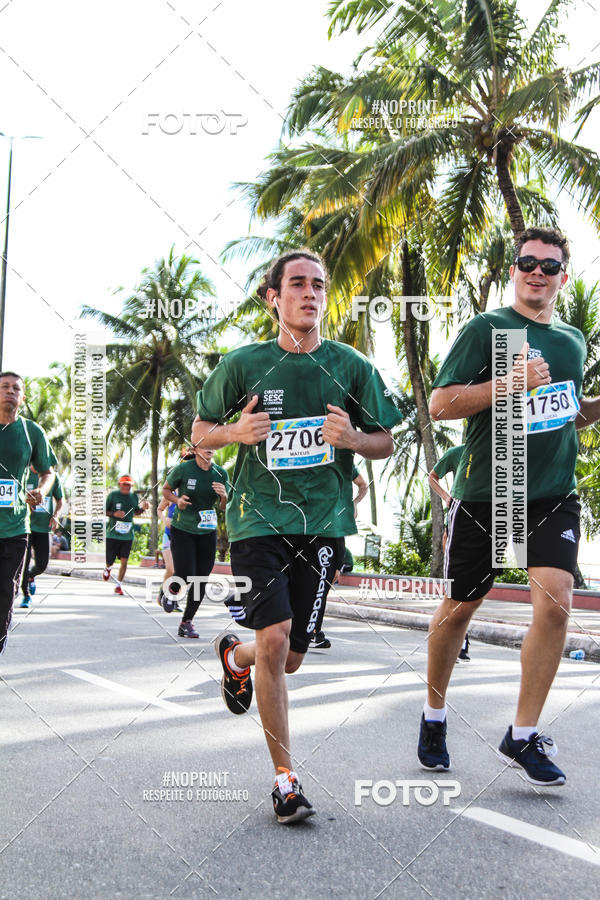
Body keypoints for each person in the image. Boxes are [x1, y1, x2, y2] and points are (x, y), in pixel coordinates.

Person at [192, 249, 401, 823]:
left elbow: (386, 440)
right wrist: (236, 432)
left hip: (324, 523)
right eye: (298, 284)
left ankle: (235, 656)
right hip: (257, 521)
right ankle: (285, 779)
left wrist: (354, 440)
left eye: (319, 285)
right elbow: (200, 432)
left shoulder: (351, 366)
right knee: (277, 637)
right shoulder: (243, 365)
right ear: (273, 298)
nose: (310, 293)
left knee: (288, 659)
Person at [420, 226, 600, 787]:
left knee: (557, 603)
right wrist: (510, 382)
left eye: (549, 266)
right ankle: (434, 714)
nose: (537, 273)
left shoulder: (571, 341)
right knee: (460, 609)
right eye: (528, 263)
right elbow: (440, 404)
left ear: (563, 277)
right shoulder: (488, 329)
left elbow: (569, 413)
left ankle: (522, 734)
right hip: (487, 492)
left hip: (551, 493)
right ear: (514, 270)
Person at [0, 372, 56, 654]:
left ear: (22, 398)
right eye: (4, 386)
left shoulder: (31, 431)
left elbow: (48, 472)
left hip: (15, 528)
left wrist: (43, 490)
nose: (10, 391)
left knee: (4, 596)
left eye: (16, 388)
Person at [161, 447, 228, 638]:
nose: (209, 448)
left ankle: (186, 622)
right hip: (183, 529)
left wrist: (224, 496)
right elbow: (165, 490)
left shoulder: (220, 473)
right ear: (196, 448)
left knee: (201, 579)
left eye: (213, 445)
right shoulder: (184, 469)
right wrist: (177, 500)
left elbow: (224, 506)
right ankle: (171, 590)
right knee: (185, 574)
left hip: (207, 530)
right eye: (205, 444)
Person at [310, 462, 368, 650]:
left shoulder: (345, 463)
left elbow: (363, 484)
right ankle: (310, 632)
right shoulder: (313, 462)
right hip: (312, 531)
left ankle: (313, 631)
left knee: (321, 588)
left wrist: (354, 502)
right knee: (314, 588)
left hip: (332, 534)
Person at [428, 445, 471, 661]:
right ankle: (457, 640)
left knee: (473, 588)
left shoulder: (498, 451)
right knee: (454, 583)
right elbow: (433, 476)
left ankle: (460, 637)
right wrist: (446, 496)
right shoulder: (457, 453)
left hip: (486, 525)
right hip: (457, 523)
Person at [20, 467, 64, 607]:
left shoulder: (52, 477)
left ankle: (30, 576)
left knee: (42, 565)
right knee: (24, 563)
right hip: (25, 527)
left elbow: (60, 500)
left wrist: (56, 516)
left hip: (43, 528)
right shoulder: (23, 472)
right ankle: (26, 595)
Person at [103, 476, 149, 594]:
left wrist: (143, 509)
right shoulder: (113, 495)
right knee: (110, 561)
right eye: (124, 484)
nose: (126, 487)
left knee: (124, 561)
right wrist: (114, 514)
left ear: (131, 486)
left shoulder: (133, 497)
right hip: (113, 534)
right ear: (120, 484)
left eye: (129, 485)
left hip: (127, 535)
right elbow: (104, 511)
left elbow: (136, 512)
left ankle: (118, 585)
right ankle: (108, 568)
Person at [157, 495, 180, 612]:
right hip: (169, 536)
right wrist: (164, 519)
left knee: (181, 572)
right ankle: (163, 592)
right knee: (171, 569)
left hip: (184, 538)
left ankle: (174, 600)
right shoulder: (170, 495)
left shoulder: (190, 493)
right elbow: (159, 509)